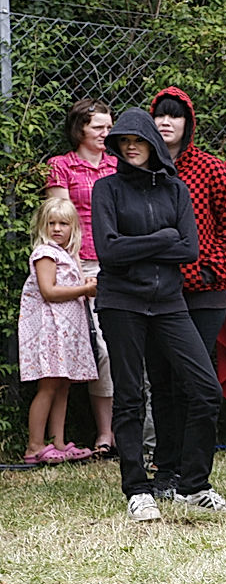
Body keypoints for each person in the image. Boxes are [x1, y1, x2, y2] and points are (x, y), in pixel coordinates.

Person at [92, 108, 226, 522]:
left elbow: (188, 250)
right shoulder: (107, 189)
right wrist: (161, 238)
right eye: (122, 142)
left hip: (170, 302)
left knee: (206, 389)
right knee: (131, 395)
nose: (130, 147)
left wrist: (142, 243)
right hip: (122, 302)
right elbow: (108, 252)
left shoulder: (177, 190)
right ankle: (138, 488)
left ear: (153, 144)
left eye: (137, 141)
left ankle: (193, 484)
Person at [147, 87, 226, 490]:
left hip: (203, 293)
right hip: (155, 293)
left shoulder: (208, 167)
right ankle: (165, 471)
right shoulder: (142, 167)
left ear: (188, 123)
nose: (166, 123)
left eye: (174, 116)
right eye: (159, 116)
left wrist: (209, 271)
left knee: (196, 381)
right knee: (162, 382)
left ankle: (194, 475)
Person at [45, 98, 116, 456]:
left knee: (123, 344)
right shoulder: (61, 167)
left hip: (117, 263)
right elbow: (60, 220)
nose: (107, 133)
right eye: (98, 127)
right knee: (98, 348)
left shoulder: (118, 165)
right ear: (80, 130)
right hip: (80, 266)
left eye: (109, 126)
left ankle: (122, 433)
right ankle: (105, 433)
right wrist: (70, 269)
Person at [19, 198, 98, 465]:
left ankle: (59, 442)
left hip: (65, 332)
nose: (56, 228)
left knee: (63, 385)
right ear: (43, 225)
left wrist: (84, 282)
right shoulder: (45, 253)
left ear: (73, 227)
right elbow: (49, 291)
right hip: (50, 332)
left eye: (63, 223)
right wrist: (85, 290)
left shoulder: (67, 255)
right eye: (51, 223)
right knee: (49, 385)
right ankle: (34, 445)